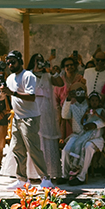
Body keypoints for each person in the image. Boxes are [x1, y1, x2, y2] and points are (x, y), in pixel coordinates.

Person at [4, 50, 53, 189]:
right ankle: (22, 180)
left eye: (13, 62)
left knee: (33, 149)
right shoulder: (10, 78)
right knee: (17, 149)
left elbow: (31, 96)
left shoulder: (28, 76)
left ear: (20, 61)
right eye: (8, 62)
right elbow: (9, 96)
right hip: (17, 117)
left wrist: (12, 93)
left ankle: (45, 178)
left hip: (29, 117)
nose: (10, 65)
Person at [62, 90, 105, 183]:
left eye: (96, 101)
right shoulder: (86, 109)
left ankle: (81, 177)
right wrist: (86, 114)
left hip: (96, 137)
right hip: (85, 135)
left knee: (87, 146)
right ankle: (68, 174)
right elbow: (82, 121)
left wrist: (95, 121)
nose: (94, 102)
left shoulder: (101, 111)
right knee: (71, 147)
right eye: (92, 101)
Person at [30, 53, 64, 182]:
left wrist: (51, 71)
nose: (39, 63)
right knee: (34, 138)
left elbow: (60, 83)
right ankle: (32, 172)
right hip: (33, 108)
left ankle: (50, 171)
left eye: (41, 61)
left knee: (47, 139)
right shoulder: (28, 75)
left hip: (46, 111)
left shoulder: (47, 75)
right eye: (37, 61)